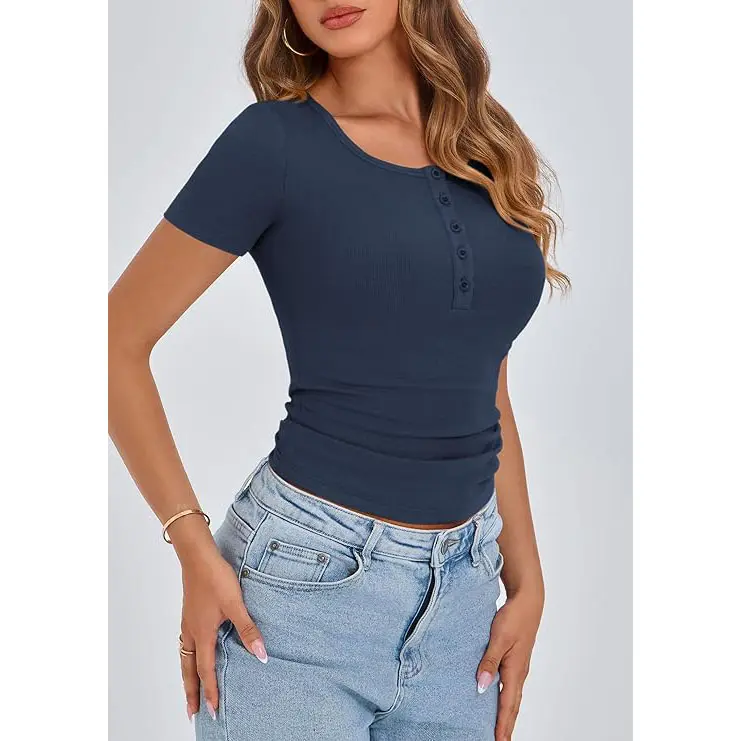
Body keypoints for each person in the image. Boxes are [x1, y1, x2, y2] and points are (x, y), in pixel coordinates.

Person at [108, 2, 568, 739]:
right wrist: (191, 546)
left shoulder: (483, 145)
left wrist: (527, 580)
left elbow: (486, 379)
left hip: (463, 603)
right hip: (300, 592)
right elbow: (111, 339)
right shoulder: (273, 143)